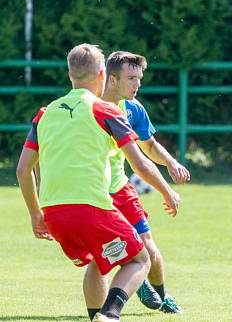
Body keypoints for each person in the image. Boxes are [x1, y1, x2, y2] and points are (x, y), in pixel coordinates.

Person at [15, 43, 181, 322]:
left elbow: (22, 170)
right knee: (140, 259)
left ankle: (96, 318)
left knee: (97, 260)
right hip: (92, 207)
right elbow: (139, 163)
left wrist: (35, 214)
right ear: (103, 74)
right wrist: (166, 191)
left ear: (70, 74)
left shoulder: (44, 113)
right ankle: (111, 314)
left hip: (54, 213)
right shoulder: (106, 111)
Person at [102, 50, 190, 313]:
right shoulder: (89, 105)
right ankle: (121, 291)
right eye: (131, 78)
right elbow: (139, 164)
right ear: (111, 78)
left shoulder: (133, 109)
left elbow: (148, 146)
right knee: (107, 250)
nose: (137, 84)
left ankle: (162, 298)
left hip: (119, 187)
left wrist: (172, 162)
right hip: (92, 191)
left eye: (139, 78)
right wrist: (166, 190)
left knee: (149, 246)